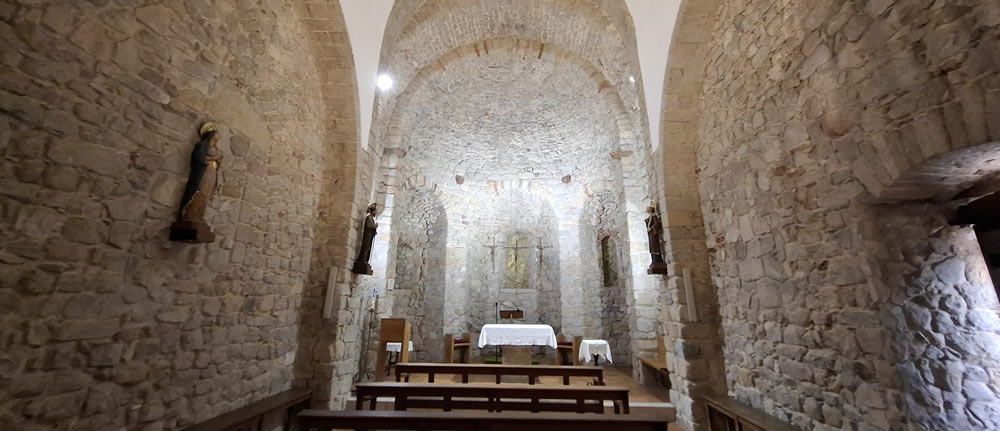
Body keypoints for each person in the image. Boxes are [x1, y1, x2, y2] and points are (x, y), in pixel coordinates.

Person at [352, 203, 379, 274]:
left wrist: (374, 230)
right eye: (375, 211)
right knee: (366, 247)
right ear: (372, 211)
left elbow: (372, 227)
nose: (376, 213)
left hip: (370, 235)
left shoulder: (372, 219)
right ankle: (362, 260)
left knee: (368, 248)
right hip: (367, 236)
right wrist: (374, 226)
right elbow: (368, 225)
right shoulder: (368, 218)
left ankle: (366, 260)